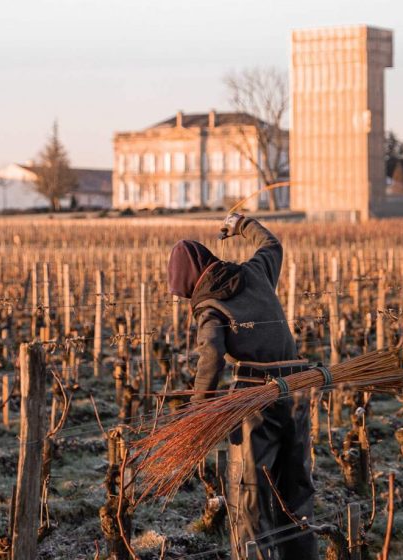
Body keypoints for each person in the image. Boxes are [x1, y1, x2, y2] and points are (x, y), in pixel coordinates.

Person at [167, 213, 317, 560]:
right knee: (296, 491)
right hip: (298, 385)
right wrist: (241, 225)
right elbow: (271, 244)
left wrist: (199, 411)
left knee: (249, 497)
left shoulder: (209, 306)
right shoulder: (253, 272)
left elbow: (212, 357)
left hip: (254, 399)